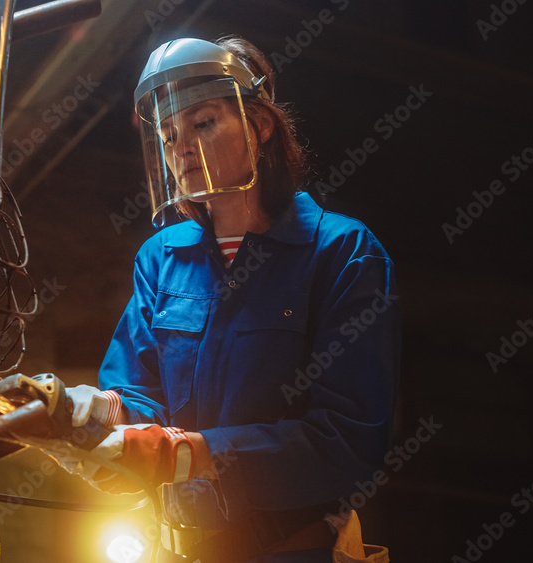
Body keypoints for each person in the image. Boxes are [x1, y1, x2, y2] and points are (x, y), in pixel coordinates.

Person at [63, 36, 400, 563]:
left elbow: (348, 439)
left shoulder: (340, 251)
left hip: (296, 551)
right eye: (168, 134)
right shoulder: (162, 259)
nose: (180, 148)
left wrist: (188, 454)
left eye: (202, 123)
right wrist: (90, 412)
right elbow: (140, 393)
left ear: (259, 125)